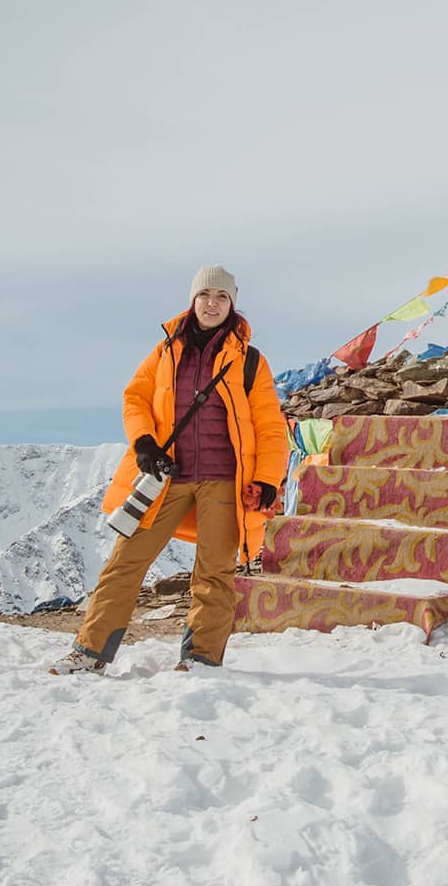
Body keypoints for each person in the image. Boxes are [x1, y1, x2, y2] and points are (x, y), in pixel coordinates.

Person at [47, 265, 288, 675]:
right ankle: (89, 652)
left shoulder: (250, 362)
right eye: (205, 295)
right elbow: (134, 399)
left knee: (215, 572)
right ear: (192, 301)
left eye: (222, 297)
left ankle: (200, 660)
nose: (212, 304)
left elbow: (270, 425)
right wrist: (143, 442)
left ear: (232, 305)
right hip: (167, 477)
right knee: (125, 562)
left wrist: (267, 478)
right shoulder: (165, 352)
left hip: (224, 482)